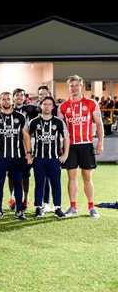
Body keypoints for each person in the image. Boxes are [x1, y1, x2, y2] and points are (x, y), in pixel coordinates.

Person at [58, 75, 103, 218]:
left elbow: (99, 123)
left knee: (87, 177)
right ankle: (73, 207)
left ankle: (91, 207)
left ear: (81, 86)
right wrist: (61, 146)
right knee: (71, 177)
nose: (74, 88)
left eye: (77, 85)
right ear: (68, 87)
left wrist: (100, 142)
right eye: (71, 85)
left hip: (86, 144)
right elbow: (60, 129)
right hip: (70, 146)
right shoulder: (63, 107)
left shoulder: (91, 103)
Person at [0, 92, 32, 220]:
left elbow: (26, 136)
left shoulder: (20, 117)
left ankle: (19, 210)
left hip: (17, 157)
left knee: (17, 184)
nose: (6, 101)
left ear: (12, 101)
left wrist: (28, 154)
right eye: (3, 99)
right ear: (0, 102)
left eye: (8, 99)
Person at [26, 97, 69, 219]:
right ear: (40, 106)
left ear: (53, 107)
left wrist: (65, 154)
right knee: (39, 184)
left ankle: (57, 208)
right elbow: (25, 136)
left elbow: (66, 137)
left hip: (54, 159)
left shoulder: (58, 122)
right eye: (44, 104)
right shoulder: (34, 122)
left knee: (56, 184)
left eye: (49, 104)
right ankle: (38, 208)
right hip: (39, 159)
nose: (47, 106)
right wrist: (29, 154)